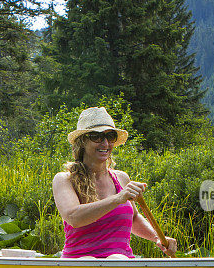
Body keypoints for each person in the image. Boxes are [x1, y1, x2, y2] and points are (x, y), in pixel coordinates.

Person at [52, 107, 177, 259]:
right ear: (82, 141)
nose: (105, 143)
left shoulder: (121, 178)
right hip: (80, 264)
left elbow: (133, 218)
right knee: (100, 260)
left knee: (116, 258)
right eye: (96, 136)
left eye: (110, 136)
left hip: (120, 265)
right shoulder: (65, 179)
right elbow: (74, 217)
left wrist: (157, 238)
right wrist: (118, 198)